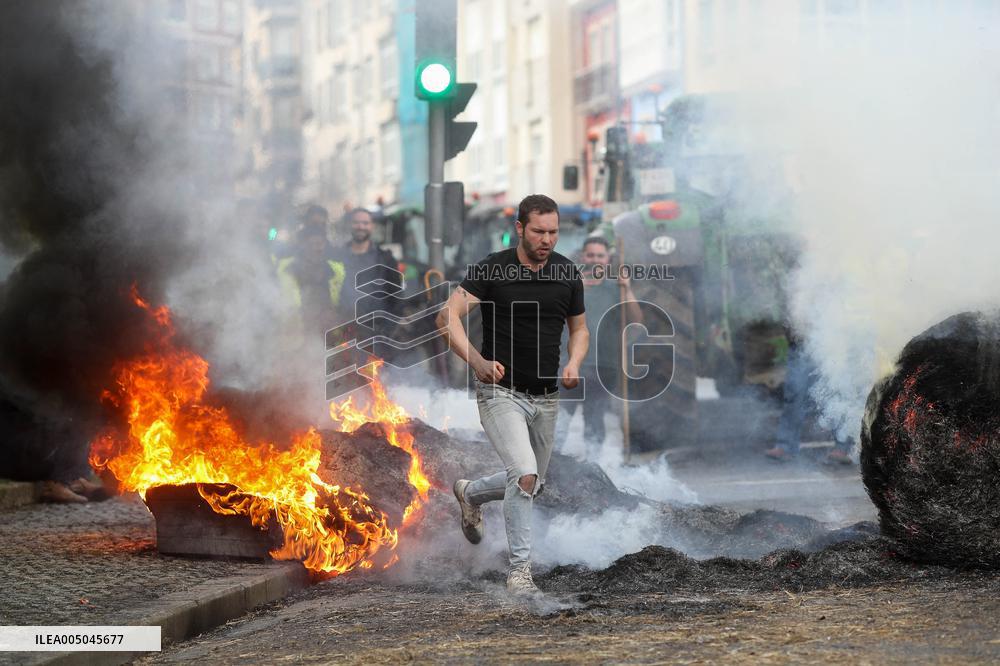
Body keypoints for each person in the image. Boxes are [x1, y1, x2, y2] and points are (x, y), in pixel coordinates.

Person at [436, 194, 589, 595]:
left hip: (547, 397)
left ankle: (470, 493)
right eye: (539, 231)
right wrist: (477, 361)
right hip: (499, 391)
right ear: (520, 228)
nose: (547, 240)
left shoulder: (567, 272)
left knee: (532, 482)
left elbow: (579, 329)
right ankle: (520, 574)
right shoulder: (492, 269)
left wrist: (573, 363)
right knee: (524, 475)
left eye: (554, 232)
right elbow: (446, 317)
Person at [555, 236, 642, 458]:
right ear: (583, 257)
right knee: (561, 419)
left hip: (604, 366)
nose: (595, 260)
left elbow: (636, 320)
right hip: (571, 365)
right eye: (591, 255)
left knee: (595, 419)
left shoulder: (617, 289)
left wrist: (628, 289)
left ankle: (592, 467)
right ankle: (551, 465)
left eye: (600, 256)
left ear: (608, 259)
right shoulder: (569, 287)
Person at [765, 342, 854, 465]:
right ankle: (785, 446)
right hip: (800, 343)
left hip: (832, 343)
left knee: (836, 392)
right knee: (795, 394)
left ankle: (843, 447)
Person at [276, 206, 345, 334]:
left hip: (328, 327)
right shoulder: (289, 256)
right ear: (305, 223)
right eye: (314, 224)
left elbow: (343, 297)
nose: (318, 227)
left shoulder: (334, 257)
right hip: (297, 327)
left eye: (322, 224)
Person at [330, 207, 402, 325]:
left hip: (377, 328)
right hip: (342, 326)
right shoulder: (336, 257)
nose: (360, 227)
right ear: (349, 225)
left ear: (372, 226)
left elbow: (396, 295)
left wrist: (391, 326)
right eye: (356, 222)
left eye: (365, 223)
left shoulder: (385, 258)